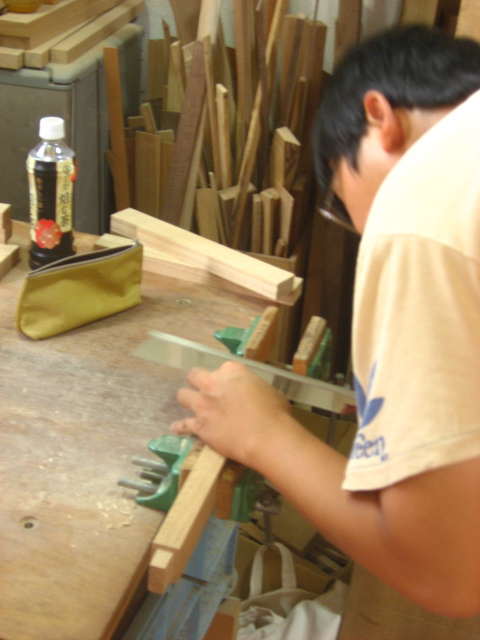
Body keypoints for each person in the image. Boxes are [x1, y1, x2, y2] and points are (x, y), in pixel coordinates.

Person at [170, 24, 480, 618]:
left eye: (342, 200)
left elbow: (445, 574)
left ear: (380, 118)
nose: (363, 229)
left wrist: (263, 433)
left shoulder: (421, 203)